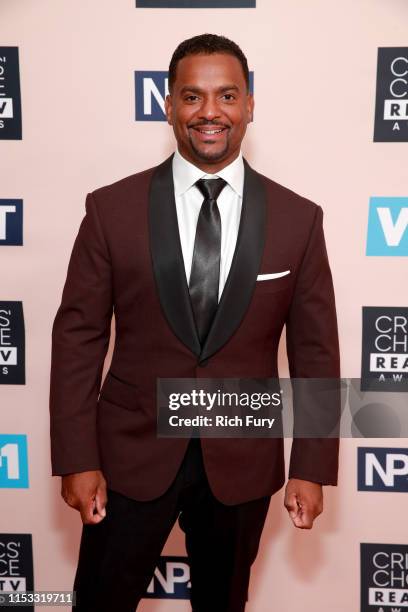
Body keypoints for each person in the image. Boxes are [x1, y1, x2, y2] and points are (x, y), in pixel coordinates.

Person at [49, 33, 340, 612]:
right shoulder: (111, 210)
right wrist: (78, 459)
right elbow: (78, 338)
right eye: (193, 96)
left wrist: (312, 467)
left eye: (227, 95)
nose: (210, 112)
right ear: (169, 105)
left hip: (242, 458)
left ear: (249, 105)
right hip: (130, 456)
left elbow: (316, 353)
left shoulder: (298, 220)